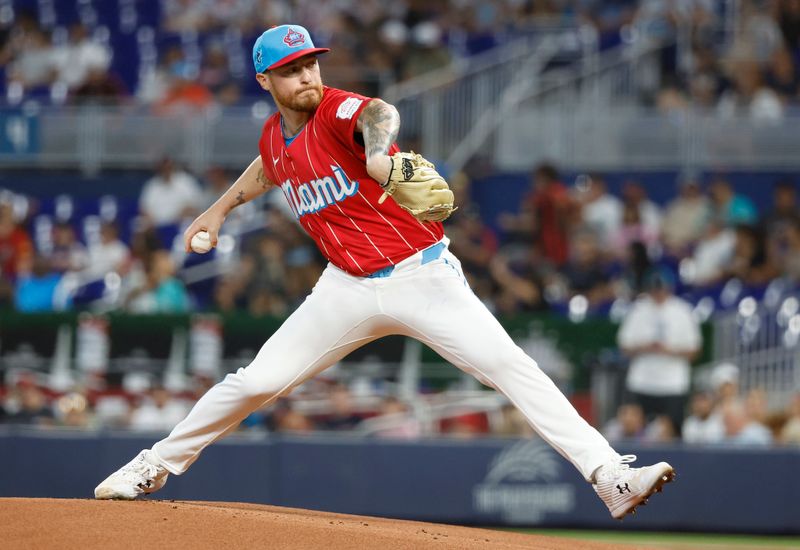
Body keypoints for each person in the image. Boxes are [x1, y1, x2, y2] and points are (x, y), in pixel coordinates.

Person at [94, 24, 674, 519]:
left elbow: (378, 110)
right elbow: (271, 167)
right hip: (344, 287)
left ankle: (608, 476)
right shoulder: (276, 136)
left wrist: (377, 151)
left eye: (312, 64)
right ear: (265, 81)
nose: (308, 78)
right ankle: (152, 466)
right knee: (256, 382)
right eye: (292, 70)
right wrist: (219, 209)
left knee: (509, 366)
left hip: (422, 277)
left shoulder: (337, 110)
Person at [617, 267, 702, 435]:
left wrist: (670, 351)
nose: (658, 293)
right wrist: (645, 347)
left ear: (669, 288)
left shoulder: (682, 311)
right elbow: (624, 346)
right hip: (641, 381)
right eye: (654, 289)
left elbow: (695, 351)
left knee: (673, 431)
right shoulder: (638, 310)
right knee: (634, 430)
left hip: (673, 383)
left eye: (661, 289)